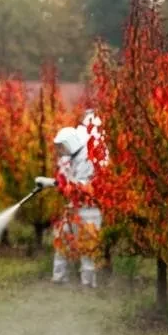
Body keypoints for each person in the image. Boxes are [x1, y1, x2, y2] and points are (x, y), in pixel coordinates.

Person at [34, 121, 103, 287]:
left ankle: (88, 284)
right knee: (61, 239)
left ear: (70, 144)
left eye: (61, 146)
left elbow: (80, 187)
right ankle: (59, 278)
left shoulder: (86, 159)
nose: (59, 151)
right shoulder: (69, 158)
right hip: (73, 206)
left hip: (89, 209)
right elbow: (65, 181)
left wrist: (51, 183)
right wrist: (52, 182)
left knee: (87, 246)